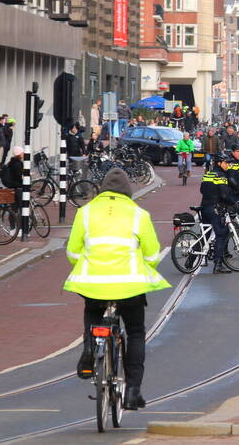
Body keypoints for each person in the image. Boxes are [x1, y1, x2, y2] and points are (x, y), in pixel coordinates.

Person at [66, 168, 169, 411]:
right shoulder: (139, 214)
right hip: (129, 286)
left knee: (92, 312)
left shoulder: (86, 212)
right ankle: (133, 390)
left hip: (93, 284)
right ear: (128, 190)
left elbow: (72, 252)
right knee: (134, 332)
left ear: (102, 188)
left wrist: (90, 263)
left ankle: (90, 350)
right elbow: (153, 255)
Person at [199, 153, 239, 274]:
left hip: (204, 207)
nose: (228, 165)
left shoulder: (207, 174)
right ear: (219, 163)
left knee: (204, 236)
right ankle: (218, 264)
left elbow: (202, 190)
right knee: (221, 234)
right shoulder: (221, 176)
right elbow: (224, 195)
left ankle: (190, 262)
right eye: (226, 163)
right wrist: (233, 203)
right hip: (214, 208)